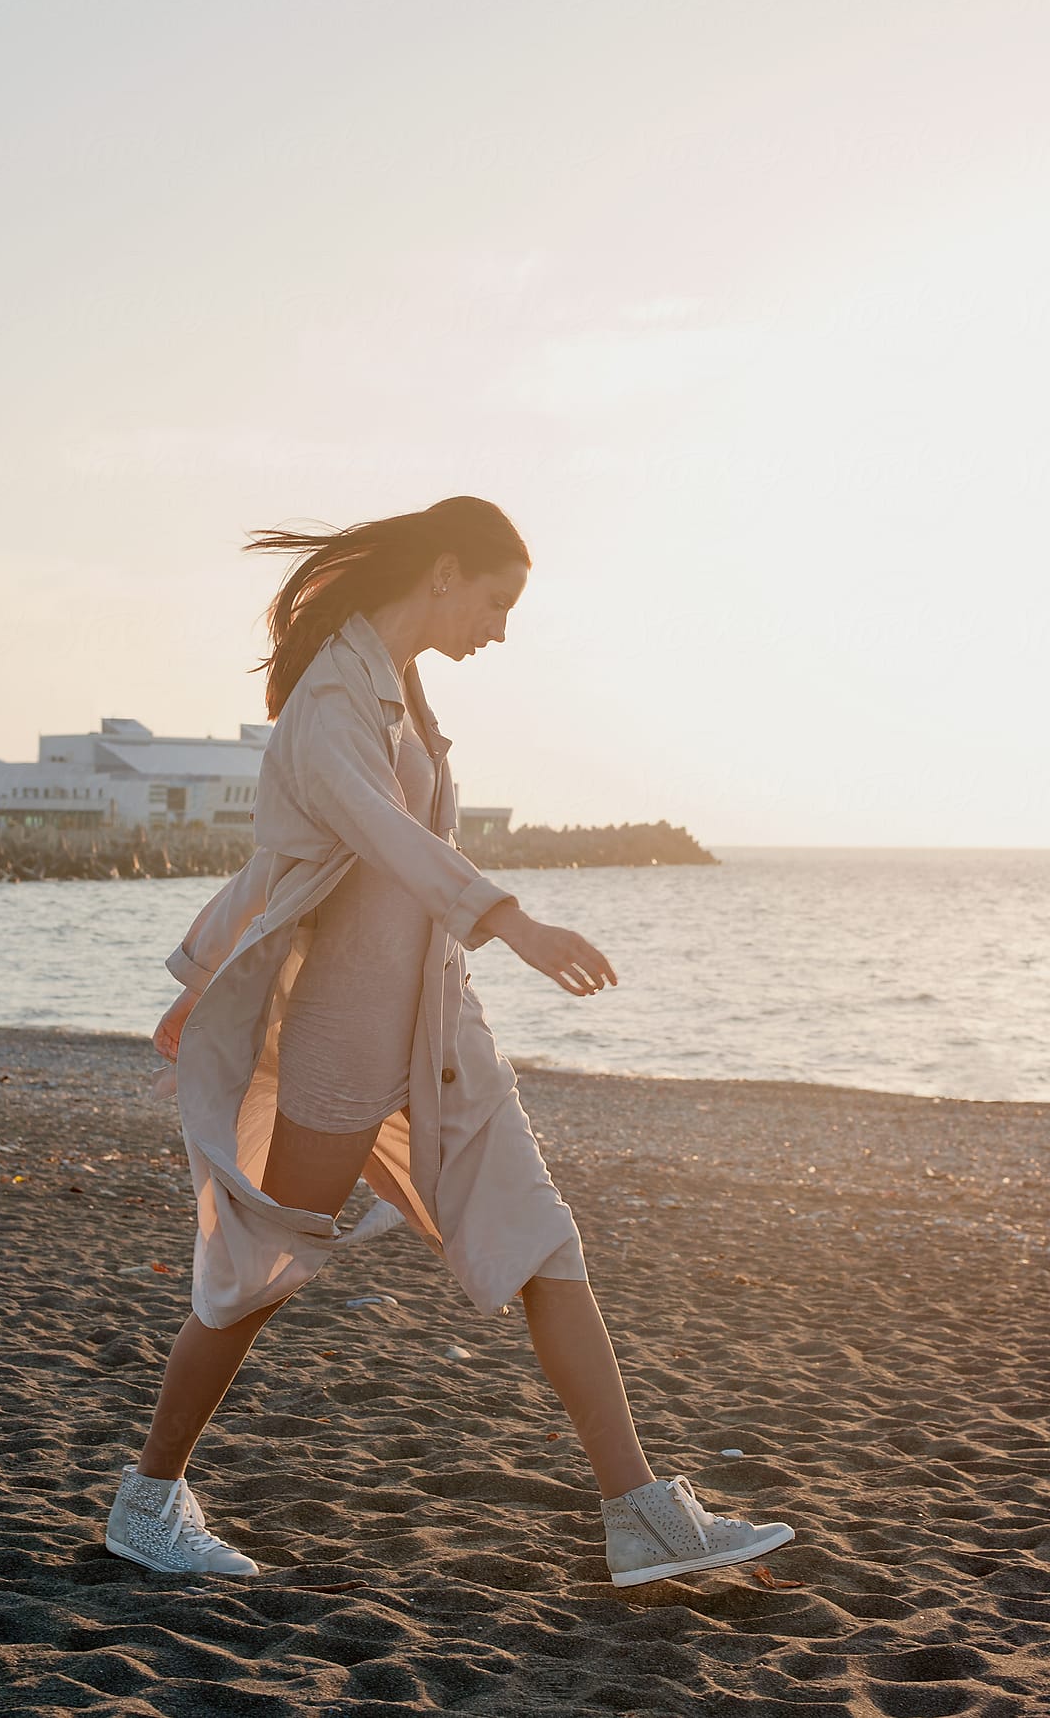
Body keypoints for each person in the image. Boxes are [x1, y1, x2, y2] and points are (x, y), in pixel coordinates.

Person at [104, 496, 796, 1586]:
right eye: (498, 600)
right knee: (258, 1270)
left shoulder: (403, 686)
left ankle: (642, 1514)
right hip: (345, 1035)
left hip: (440, 1023)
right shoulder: (333, 694)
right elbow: (367, 841)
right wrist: (511, 918)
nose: (502, 629)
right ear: (441, 571)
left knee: (541, 1240)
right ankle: (147, 1502)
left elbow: (348, 858)